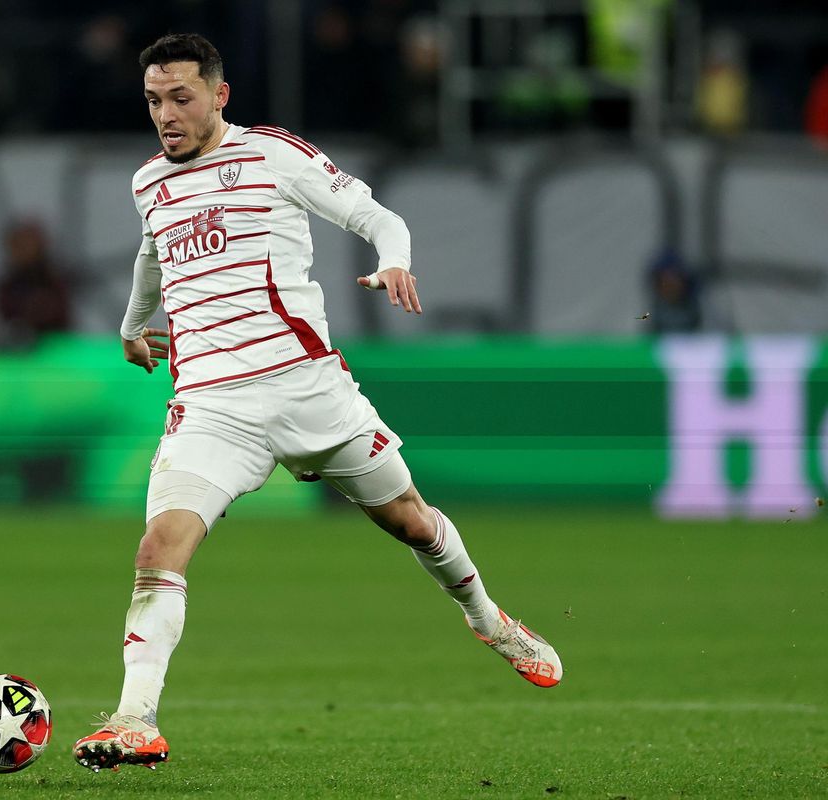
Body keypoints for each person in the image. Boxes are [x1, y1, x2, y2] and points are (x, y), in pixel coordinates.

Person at [73, 33, 563, 774]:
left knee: (412, 523)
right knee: (157, 552)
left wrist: (392, 260)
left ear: (219, 94)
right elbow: (153, 253)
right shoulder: (149, 183)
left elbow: (378, 218)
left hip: (307, 389)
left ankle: (489, 620)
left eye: (181, 98)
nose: (166, 115)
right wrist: (131, 326)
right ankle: (135, 718)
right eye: (153, 101)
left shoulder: (273, 154)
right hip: (210, 407)